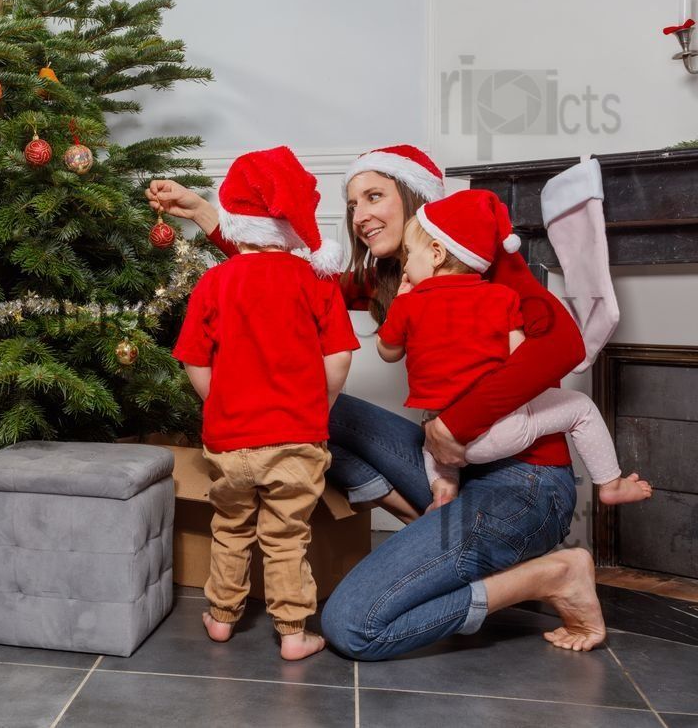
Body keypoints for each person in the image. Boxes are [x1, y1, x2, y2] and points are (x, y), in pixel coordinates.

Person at [147, 144, 607, 659]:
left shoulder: (484, 260)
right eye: (352, 204)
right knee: (298, 411)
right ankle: (425, 525)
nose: (360, 216)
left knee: (352, 626)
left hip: (523, 483)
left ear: (416, 198)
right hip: (449, 473)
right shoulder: (394, 276)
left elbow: (564, 343)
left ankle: (553, 574)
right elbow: (277, 280)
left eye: (374, 196)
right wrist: (210, 216)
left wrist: (456, 424)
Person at [173, 146, 358, 660]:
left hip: (230, 440)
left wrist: (220, 402)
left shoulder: (215, 281)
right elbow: (339, 358)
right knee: (286, 535)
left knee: (230, 528)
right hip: (297, 439)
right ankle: (294, 632)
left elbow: (194, 359)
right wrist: (319, 405)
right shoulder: (315, 282)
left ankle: (221, 618)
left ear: (235, 222)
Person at [378, 189, 652, 510]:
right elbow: (518, 355)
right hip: (503, 434)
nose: (405, 264)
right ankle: (610, 483)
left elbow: (389, 351)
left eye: (409, 253)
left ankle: (443, 490)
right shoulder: (500, 296)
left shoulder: (408, 304)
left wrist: (401, 305)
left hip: (450, 438)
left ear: (436, 254)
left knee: (429, 440)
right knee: (581, 408)